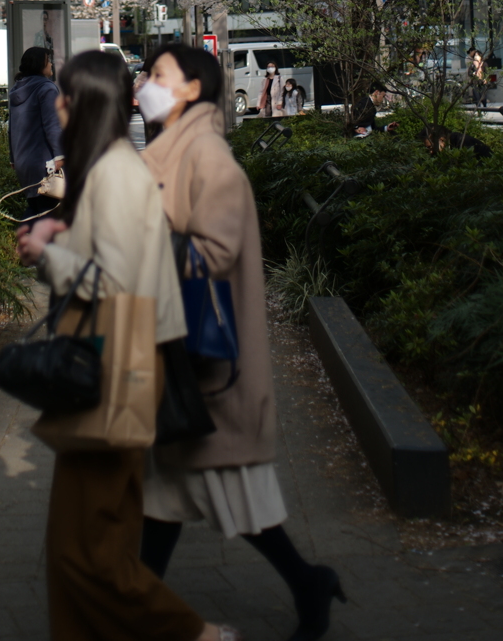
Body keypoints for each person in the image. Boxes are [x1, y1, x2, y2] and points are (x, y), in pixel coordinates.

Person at [16, 50, 237, 641]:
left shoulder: (115, 175)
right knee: (91, 547)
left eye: (64, 96)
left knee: (82, 552)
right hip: (124, 367)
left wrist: (48, 255)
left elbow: (112, 282)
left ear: (84, 102)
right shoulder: (114, 169)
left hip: (114, 370)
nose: (57, 105)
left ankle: (195, 635)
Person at [135, 43, 345, 641]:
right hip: (187, 366)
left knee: (215, 493)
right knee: (168, 496)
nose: (145, 86)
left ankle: (307, 582)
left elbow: (214, 253)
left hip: (209, 369)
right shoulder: (175, 155)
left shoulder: (207, 158)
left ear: (193, 89)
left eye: (158, 76)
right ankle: (305, 583)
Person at [8, 47, 64, 221]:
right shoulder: (46, 88)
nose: (51, 64)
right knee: (48, 211)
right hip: (44, 161)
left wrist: (13, 158)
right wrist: (60, 156)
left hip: (23, 161)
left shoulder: (17, 89)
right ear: (40, 64)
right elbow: (52, 125)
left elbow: (13, 128)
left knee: (36, 206)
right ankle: (27, 241)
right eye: (48, 60)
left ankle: (27, 240)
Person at [424, 127, 493, 160]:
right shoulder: (452, 142)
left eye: (431, 147)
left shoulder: (461, 142)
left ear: (441, 140)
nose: (431, 151)